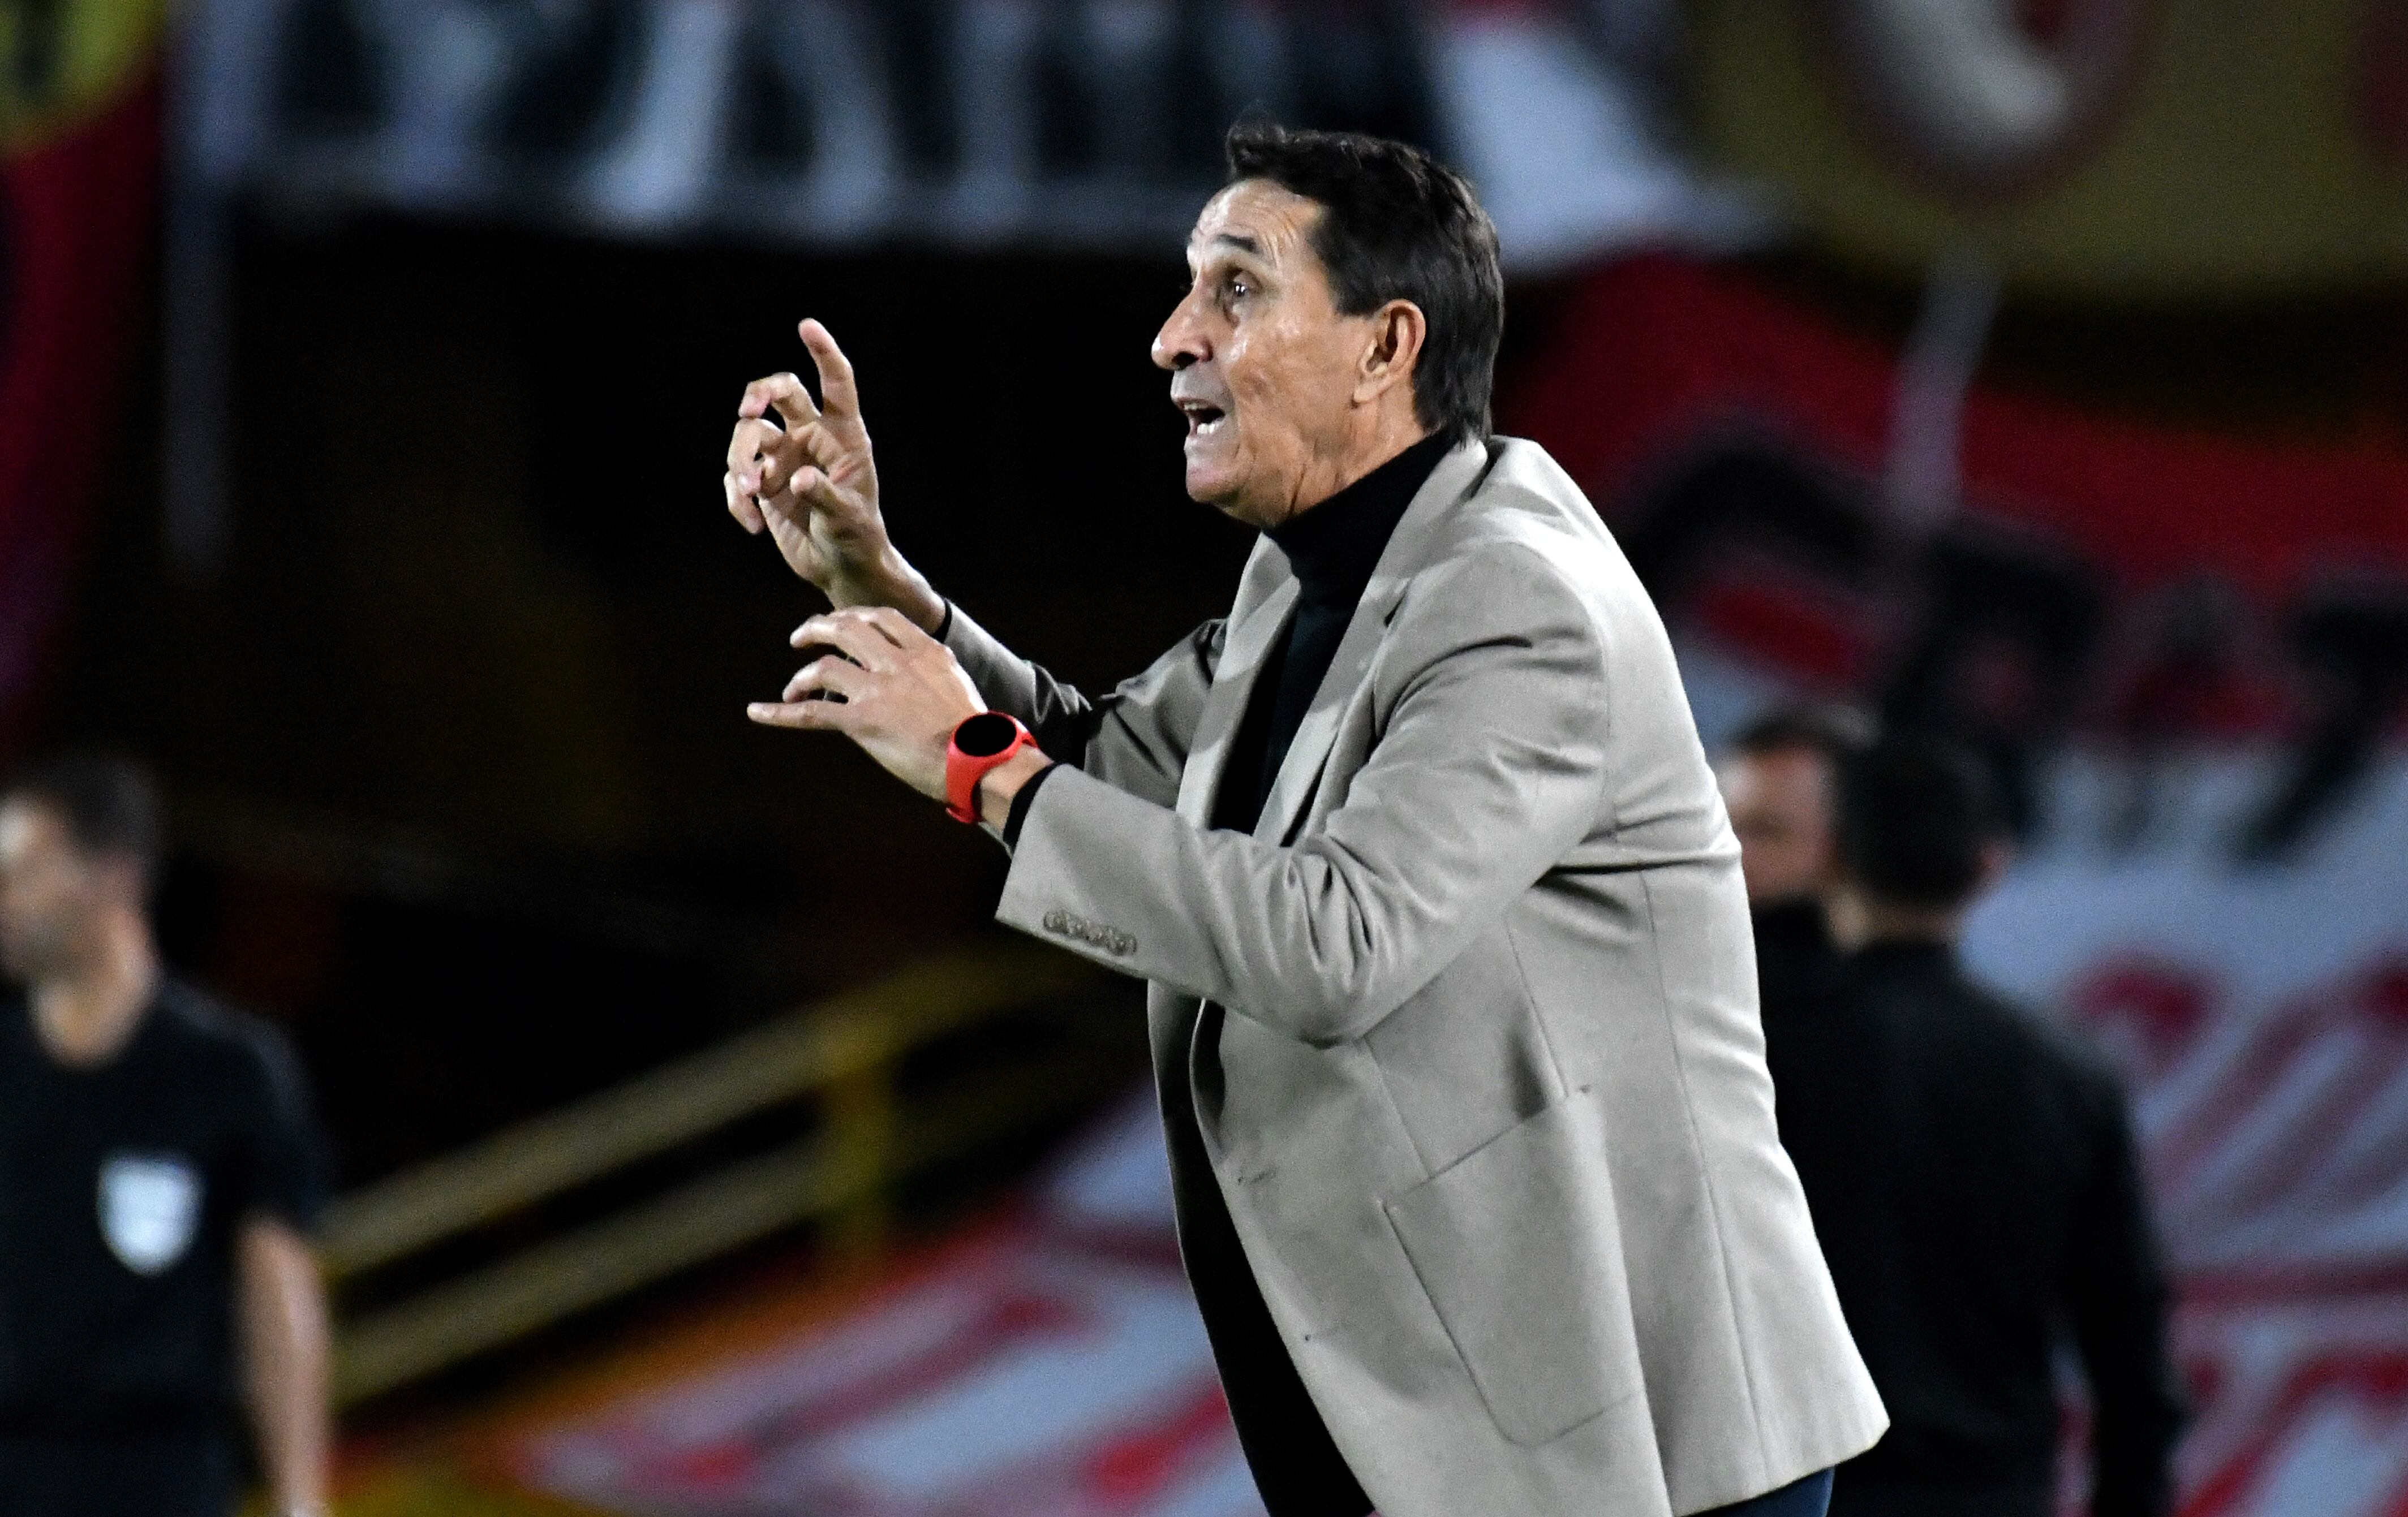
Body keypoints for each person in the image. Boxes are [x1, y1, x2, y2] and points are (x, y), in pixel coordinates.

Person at [720, 122, 1886, 1517]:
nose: (1169, 339)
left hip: (1639, 1432)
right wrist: (882, 582)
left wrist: (972, 764)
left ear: (1386, 347)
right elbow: (1117, 762)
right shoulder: (1322, 570)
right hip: (1472, 1410)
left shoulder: (1519, 600)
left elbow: (1334, 945)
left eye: (1237, 290)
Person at [1784, 737, 2183, 1517]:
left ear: (1832, 859)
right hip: (1991, 1490)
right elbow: (2130, 1338)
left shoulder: (1760, 1052)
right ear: (1989, 864)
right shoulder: (2069, 1076)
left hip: (1806, 1486)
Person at [0, 754, 330, 1517]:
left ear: (113, 877)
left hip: (160, 1477)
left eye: (23, 872)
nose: (4, 900)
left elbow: (276, 1284)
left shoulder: (226, 1069)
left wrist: (300, 1496)